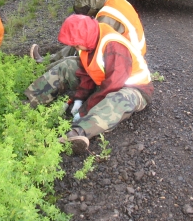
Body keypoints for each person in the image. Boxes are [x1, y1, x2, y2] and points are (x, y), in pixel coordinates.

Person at [24, 14, 154, 155]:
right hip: (104, 82)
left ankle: (77, 133)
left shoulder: (113, 46)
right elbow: (88, 71)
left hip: (133, 90)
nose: (75, 46)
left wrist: (84, 110)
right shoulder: (89, 41)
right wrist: (79, 98)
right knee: (68, 65)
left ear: (85, 37)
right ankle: (30, 100)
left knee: (117, 100)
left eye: (76, 44)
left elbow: (113, 86)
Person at [30, 0, 146, 68]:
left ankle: (45, 68)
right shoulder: (114, 1)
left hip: (127, 61)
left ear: (92, 3)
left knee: (76, 57)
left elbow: (90, 47)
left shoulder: (107, 16)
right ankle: (46, 61)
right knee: (78, 45)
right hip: (129, 53)